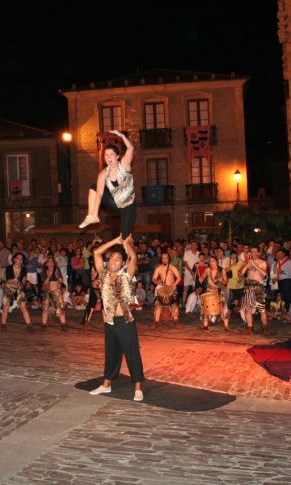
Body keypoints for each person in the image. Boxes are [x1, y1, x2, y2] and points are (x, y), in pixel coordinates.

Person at [89, 235, 145, 402]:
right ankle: (106, 385)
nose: (113, 261)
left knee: (132, 354)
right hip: (110, 321)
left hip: (125, 322)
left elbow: (133, 257)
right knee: (111, 354)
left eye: (117, 259)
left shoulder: (127, 275)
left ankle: (138, 387)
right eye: (111, 258)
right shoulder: (104, 274)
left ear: (122, 263)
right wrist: (115, 241)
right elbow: (96, 253)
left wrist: (126, 243)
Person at [78, 131, 137, 239]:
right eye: (106, 155)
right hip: (115, 203)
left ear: (117, 156)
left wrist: (122, 136)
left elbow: (131, 149)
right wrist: (95, 213)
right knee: (94, 186)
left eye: (111, 154)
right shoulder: (103, 173)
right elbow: (99, 194)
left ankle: (128, 251)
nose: (108, 157)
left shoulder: (124, 164)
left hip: (128, 206)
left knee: (125, 237)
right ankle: (92, 216)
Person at [239, 247, 270, 335]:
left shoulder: (262, 262)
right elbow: (241, 274)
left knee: (261, 309)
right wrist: (247, 265)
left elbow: (264, 274)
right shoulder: (247, 262)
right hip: (248, 286)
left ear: (258, 253)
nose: (253, 253)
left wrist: (254, 264)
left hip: (258, 286)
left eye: (255, 252)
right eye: (252, 252)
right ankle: (250, 328)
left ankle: (265, 328)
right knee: (248, 309)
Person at [0, 253, 32, 331]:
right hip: (9, 289)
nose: (20, 260)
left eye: (21, 259)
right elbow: (9, 281)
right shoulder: (9, 268)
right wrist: (18, 280)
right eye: (18, 258)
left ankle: (29, 324)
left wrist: (26, 282)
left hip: (19, 290)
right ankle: (3, 324)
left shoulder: (24, 269)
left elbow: (23, 281)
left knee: (23, 307)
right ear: (14, 259)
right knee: (6, 308)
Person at [151, 251, 183, 329]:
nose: (165, 259)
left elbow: (179, 278)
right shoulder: (158, 268)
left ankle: (176, 321)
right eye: (163, 258)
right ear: (161, 259)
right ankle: (156, 322)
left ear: (169, 259)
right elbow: (153, 278)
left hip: (171, 288)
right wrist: (156, 281)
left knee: (174, 304)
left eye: (166, 258)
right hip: (162, 288)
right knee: (158, 304)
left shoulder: (172, 267)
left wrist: (173, 286)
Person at [199, 255, 230, 331]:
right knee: (205, 308)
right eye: (210, 261)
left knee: (224, 309)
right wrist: (200, 275)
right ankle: (205, 326)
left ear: (217, 261)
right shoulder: (207, 270)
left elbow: (226, 282)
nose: (212, 263)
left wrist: (221, 280)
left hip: (219, 292)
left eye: (213, 261)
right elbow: (200, 280)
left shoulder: (222, 270)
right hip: (209, 292)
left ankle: (226, 327)